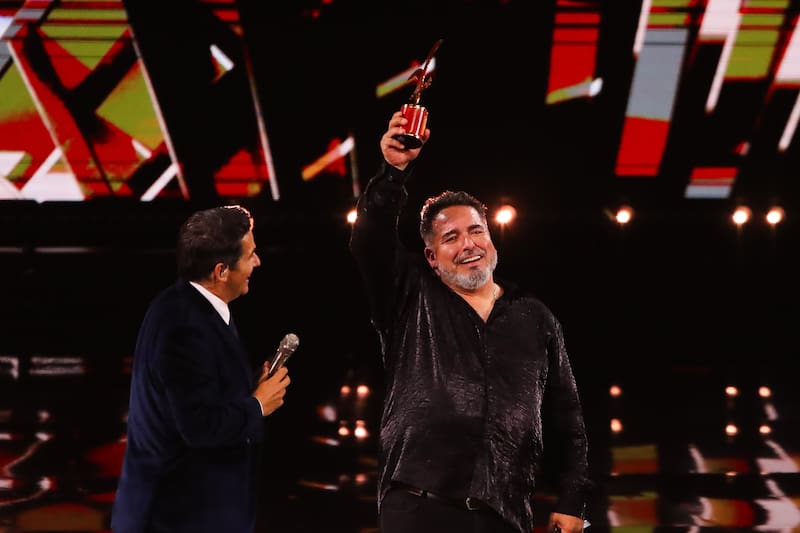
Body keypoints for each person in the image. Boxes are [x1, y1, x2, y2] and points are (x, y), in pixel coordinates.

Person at [349, 113, 590, 533]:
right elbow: (370, 239)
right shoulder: (409, 296)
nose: (468, 245)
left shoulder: (535, 317)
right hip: (419, 509)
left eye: (476, 232)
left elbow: (567, 416)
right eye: (451, 237)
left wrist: (573, 498)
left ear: (491, 239)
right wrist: (393, 172)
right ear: (431, 257)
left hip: (505, 513)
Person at [111, 205, 291, 533]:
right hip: (177, 518)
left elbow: (195, 394)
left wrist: (247, 388)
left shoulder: (189, 306)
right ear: (221, 271)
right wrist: (257, 405)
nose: (257, 262)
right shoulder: (183, 326)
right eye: (250, 255)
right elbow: (199, 426)